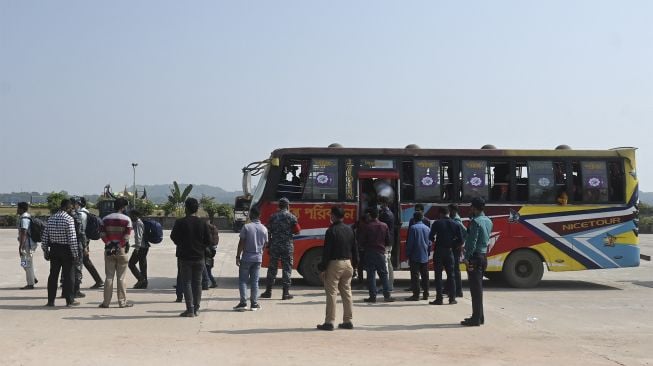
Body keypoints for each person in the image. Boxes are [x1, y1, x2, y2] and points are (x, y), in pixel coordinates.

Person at [316, 206, 359, 331]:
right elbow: (355, 250)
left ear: (333, 216)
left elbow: (327, 252)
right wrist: (355, 266)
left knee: (331, 293)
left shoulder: (331, 231)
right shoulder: (350, 230)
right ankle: (348, 320)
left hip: (335, 264)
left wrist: (323, 268)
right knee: (347, 293)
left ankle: (329, 322)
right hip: (348, 264)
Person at [171, 198, 212, 317]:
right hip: (199, 257)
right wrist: (200, 247)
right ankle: (197, 308)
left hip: (184, 257)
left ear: (186, 208)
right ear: (197, 209)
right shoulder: (202, 223)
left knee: (187, 283)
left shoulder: (180, 222)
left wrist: (182, 244)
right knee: (197, 283)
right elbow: (208, 241)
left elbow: (174, 237)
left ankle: (190, 309)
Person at [260, 197, 300, 300]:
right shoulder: (292, 217)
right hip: (287, 246)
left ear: (279, 206)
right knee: (287, 269)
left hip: (275, 246)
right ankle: (285, 293)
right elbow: (297, 231)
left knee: (272, 268)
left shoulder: (273, 217)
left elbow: (268, 231)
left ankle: (268, 292)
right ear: (287, 206)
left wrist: (269, 245)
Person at [461, 197, 493, 326]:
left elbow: (471, 242)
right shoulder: (488, 221)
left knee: (475, 290)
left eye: (471, 207)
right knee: (478, 289)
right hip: (483, 256)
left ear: (474, 208)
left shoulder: (476, 222)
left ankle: (475, 319)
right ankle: (480, 317)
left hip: (475, 257)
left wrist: (467, 257)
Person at [42, 199, 79, 307]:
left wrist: (45, 250)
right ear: (68, 207)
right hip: (66, 250)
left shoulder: (51, 218)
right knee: (69, 276)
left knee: (53, 275)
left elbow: (45, 236)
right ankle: (69, 300)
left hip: (54, 249)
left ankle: (51, 301)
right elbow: (72, 238)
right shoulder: (69, 219)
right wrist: (75, 254)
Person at [99, 197, 133, 309]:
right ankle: (122, 302)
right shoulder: (127, 219)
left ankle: (106, 302)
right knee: (121, 278)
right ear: (123, 207)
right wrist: (118, 246)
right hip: (121, 250)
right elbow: (126, 237)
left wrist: (110, 244)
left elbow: (102, 235)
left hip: (109, 250)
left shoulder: (105, 219)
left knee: (109, 277)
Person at [358, 207, 395, 303]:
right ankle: (387, 296)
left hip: (369, 252)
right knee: (383, 275)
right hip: (381, 253)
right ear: (378, 215)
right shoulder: (384, 226)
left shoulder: (367, 226)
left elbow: (361, 241)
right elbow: (388, 241)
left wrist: (363, 247)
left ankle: (372, 297)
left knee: (371, 275)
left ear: (370, 215)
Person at [429, 206, 464, 305]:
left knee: (438, 275)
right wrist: (452, 244)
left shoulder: (437, 223)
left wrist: (436, 241)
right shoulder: (455, 224)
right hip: (450, 252)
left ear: (440, 213)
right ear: (448, 213)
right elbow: (461, 240)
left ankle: (439, 299)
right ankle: (452, 298)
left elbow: (431, 236)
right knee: (451, 275)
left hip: (439, 251)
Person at [234, 207, 268, 311]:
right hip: (258, 258)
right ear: (259, 215)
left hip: (246, 257)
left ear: (251, 215)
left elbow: (241, 243)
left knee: (243, 281)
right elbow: (266, 244)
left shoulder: (246, 227)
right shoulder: (264, 228)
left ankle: (243, 303)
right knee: (255, 281)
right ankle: (254, 304)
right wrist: (260, 251)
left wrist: (237, 256)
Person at [75, 197, 103, 289]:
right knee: (85, 261)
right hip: (85, 240)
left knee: (81, 261)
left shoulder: (80, 214)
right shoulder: (86, 213)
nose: (72, 206)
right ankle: (98, 280)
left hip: (82, 241)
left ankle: (76, 283)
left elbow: (80, 230)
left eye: (74, 204)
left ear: (78, 204)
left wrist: (84, 245)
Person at [405, 211, 431, 301]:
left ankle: (416, 295)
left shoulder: (413, 228)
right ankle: (426, 294)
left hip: (415, 255)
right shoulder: (427, 228)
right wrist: (427, 252)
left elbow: (410, 243)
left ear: (414, 218)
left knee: (415, 276)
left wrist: (408, 253)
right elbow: (430, 243)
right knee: (425, 276)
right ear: (422, 218)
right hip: (424, 255)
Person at [16, 202, 37, 290]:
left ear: (22, 209)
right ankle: (33, 278)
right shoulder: (27, 216)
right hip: (28, 244)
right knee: (26, 264)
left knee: (26, 264)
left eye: (18, 208)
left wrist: (20, 246)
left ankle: (30, 284)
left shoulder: (24, 218)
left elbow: (24, 233)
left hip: (27, 245)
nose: (17, 210)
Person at [128, 210, 149, 289]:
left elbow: (139, 236)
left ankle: (141, 279)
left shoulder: (138, 223)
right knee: (142, 265)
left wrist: (137, 248)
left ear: (135, 215)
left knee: (131, 264)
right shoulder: (137, 222)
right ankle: (144, 283)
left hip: (141, 247)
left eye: (131, 215)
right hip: (144, 247)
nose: (130, 216)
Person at [448, 203, 466, 298]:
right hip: (453, 247)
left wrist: (460, 244)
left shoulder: (457, 221)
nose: (449, 212)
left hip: (455, 248)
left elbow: (465, 232)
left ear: (453, 211)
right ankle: (450, 289)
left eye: (450, 210)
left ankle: (458, 291)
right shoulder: (453, 219)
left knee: (455, 269)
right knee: (451, 268)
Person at [378, 197, 395, 292]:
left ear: (384, 203)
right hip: (389, 241)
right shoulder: (389, 213)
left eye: (380, 203)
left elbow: (382, 228)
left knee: (385, 264)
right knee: (388, 263)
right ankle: (390, 284)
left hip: (386, 242)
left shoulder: (386, 214)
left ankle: (386, 286)